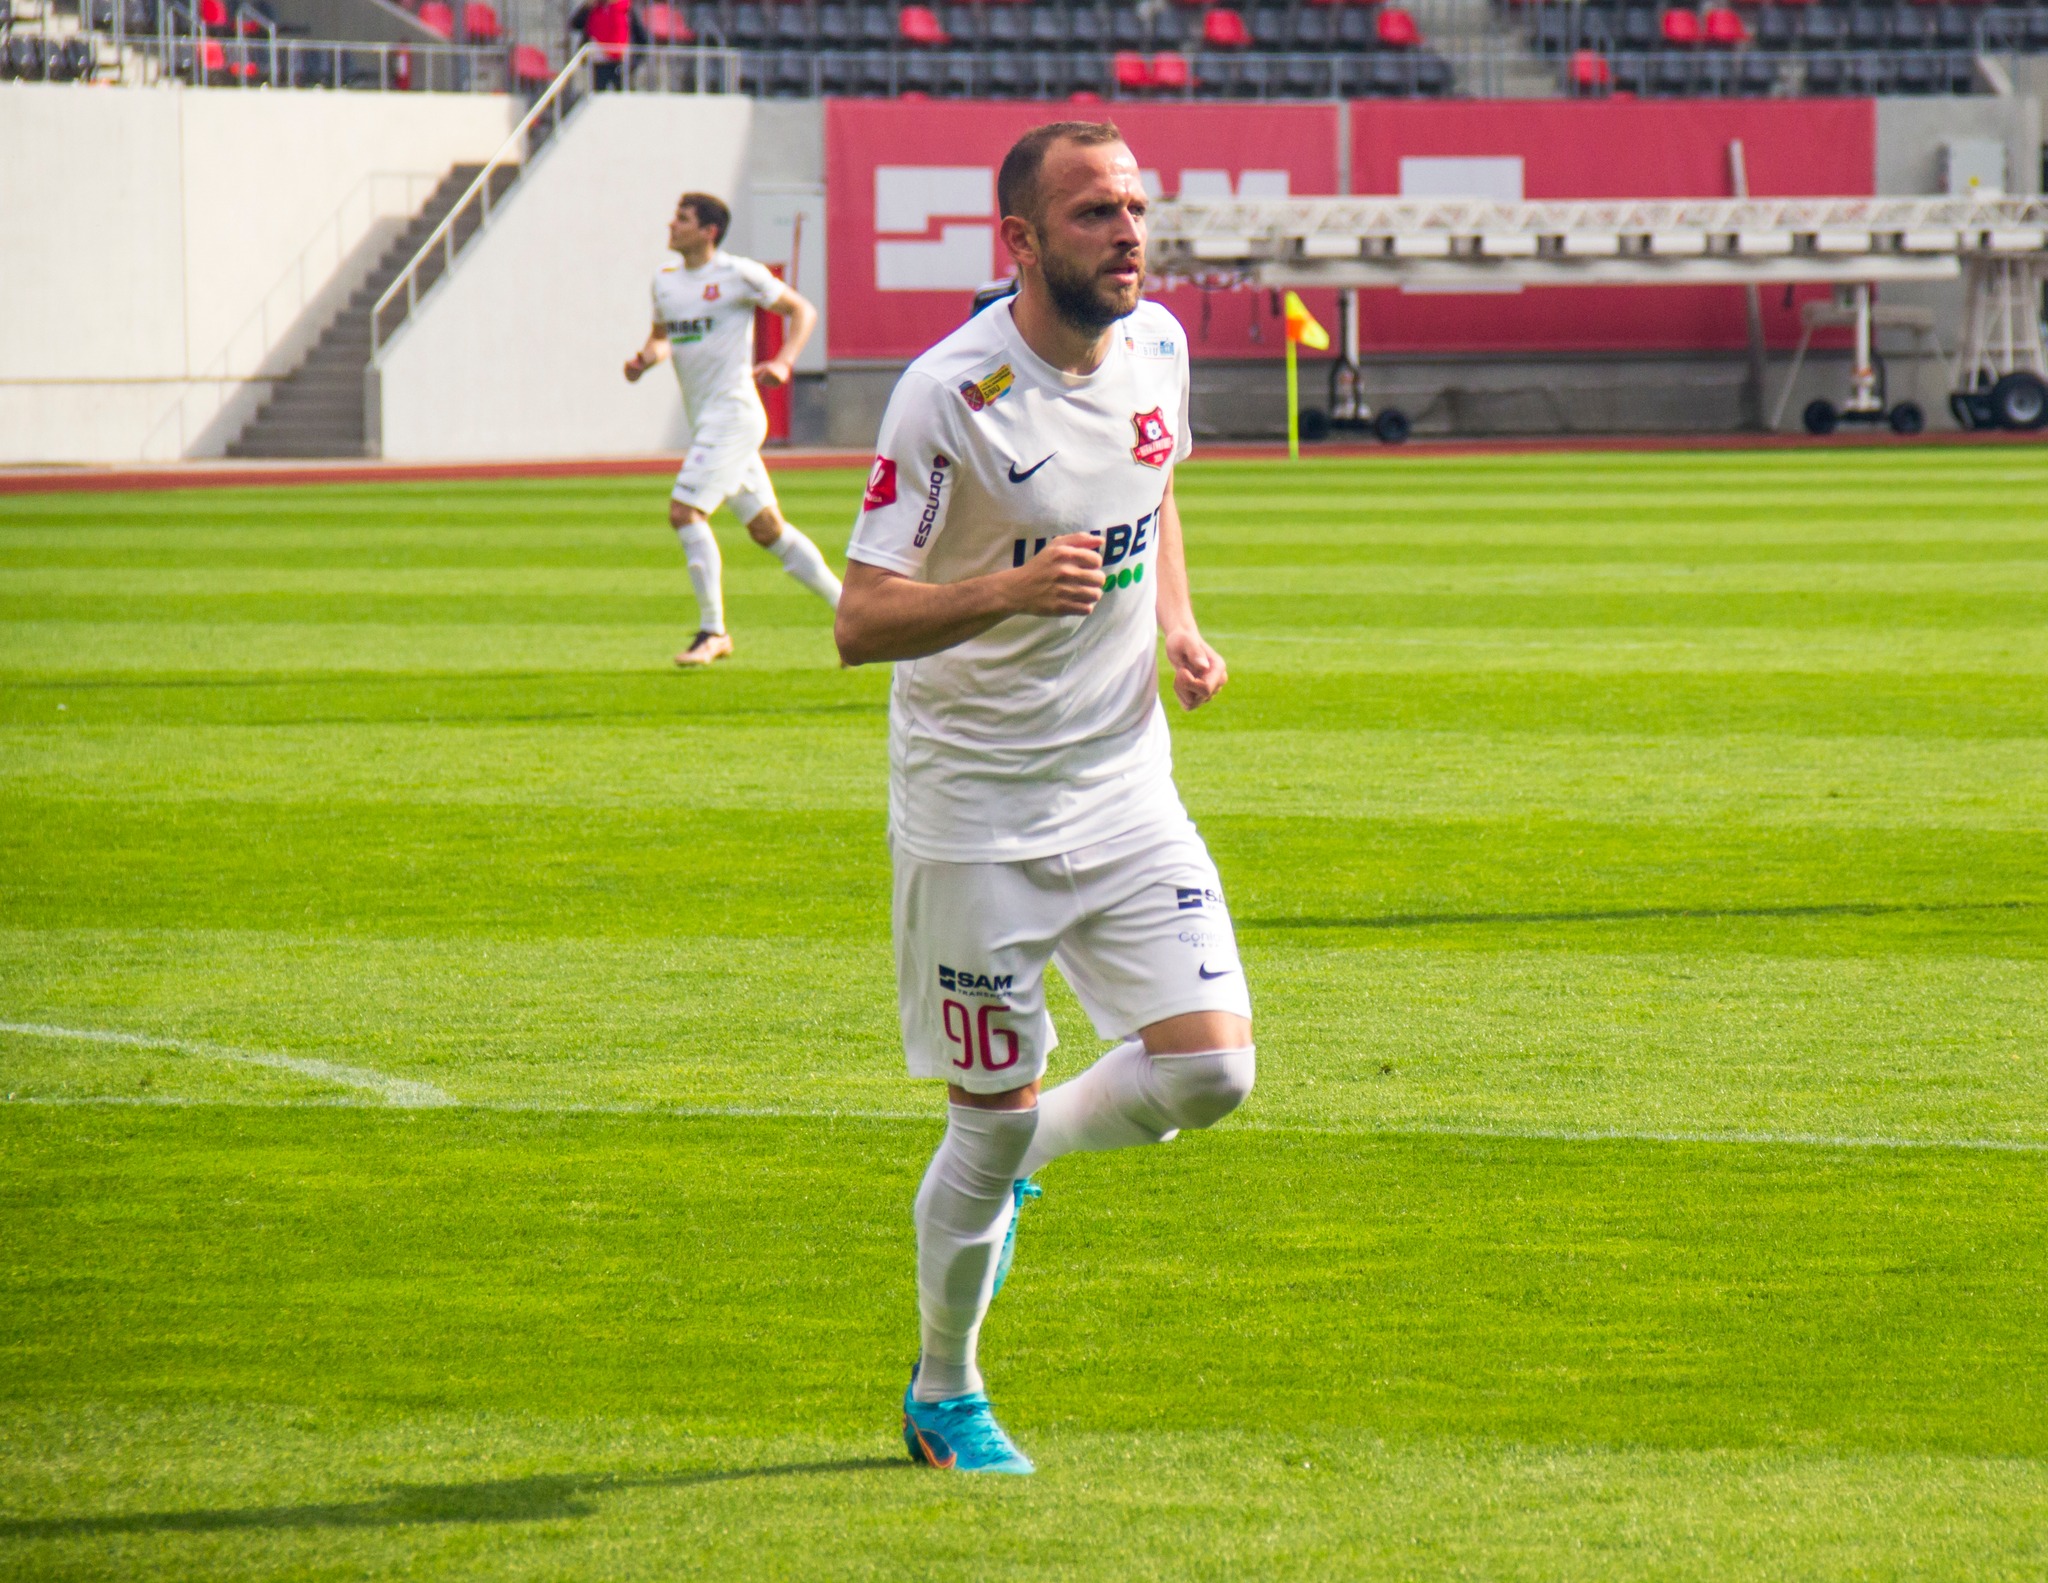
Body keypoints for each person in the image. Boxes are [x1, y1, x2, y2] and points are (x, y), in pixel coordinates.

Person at [834, 121, 1254, 1476]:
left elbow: (1153, 487)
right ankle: (943, 1392)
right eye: (1092, 213)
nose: (1129, 231)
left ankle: (1029, 1162)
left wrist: (1176, 621)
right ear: (1018, 240)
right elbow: (858, 620)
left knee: (1210, 1068)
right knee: (985, 1112)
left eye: (1136, 205)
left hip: (1124, 778)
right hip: (976, 814)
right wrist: (1008, 587)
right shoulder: (947, 395)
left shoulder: (1160, 347)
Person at [625, 191, 842, 666]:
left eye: (681, 219)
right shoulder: (665, 283)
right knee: (768, 530)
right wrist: (645, 360)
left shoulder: (738, 274)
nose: (671, 225)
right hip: (708, 418)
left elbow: (802, 311)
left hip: (734, 414)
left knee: (685, 513)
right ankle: (853, 613)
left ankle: (713, 631)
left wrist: (784, 361)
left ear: (709, 231)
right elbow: (664, 338)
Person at [570, 0, 644, 90]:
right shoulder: (593, 9)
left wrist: (634, 62)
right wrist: (587, 8)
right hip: (599, 62)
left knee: (625, 96)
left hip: (621, 62)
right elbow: (575, 25)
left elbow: (642, 37)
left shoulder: (626, 10)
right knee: (598, 94)